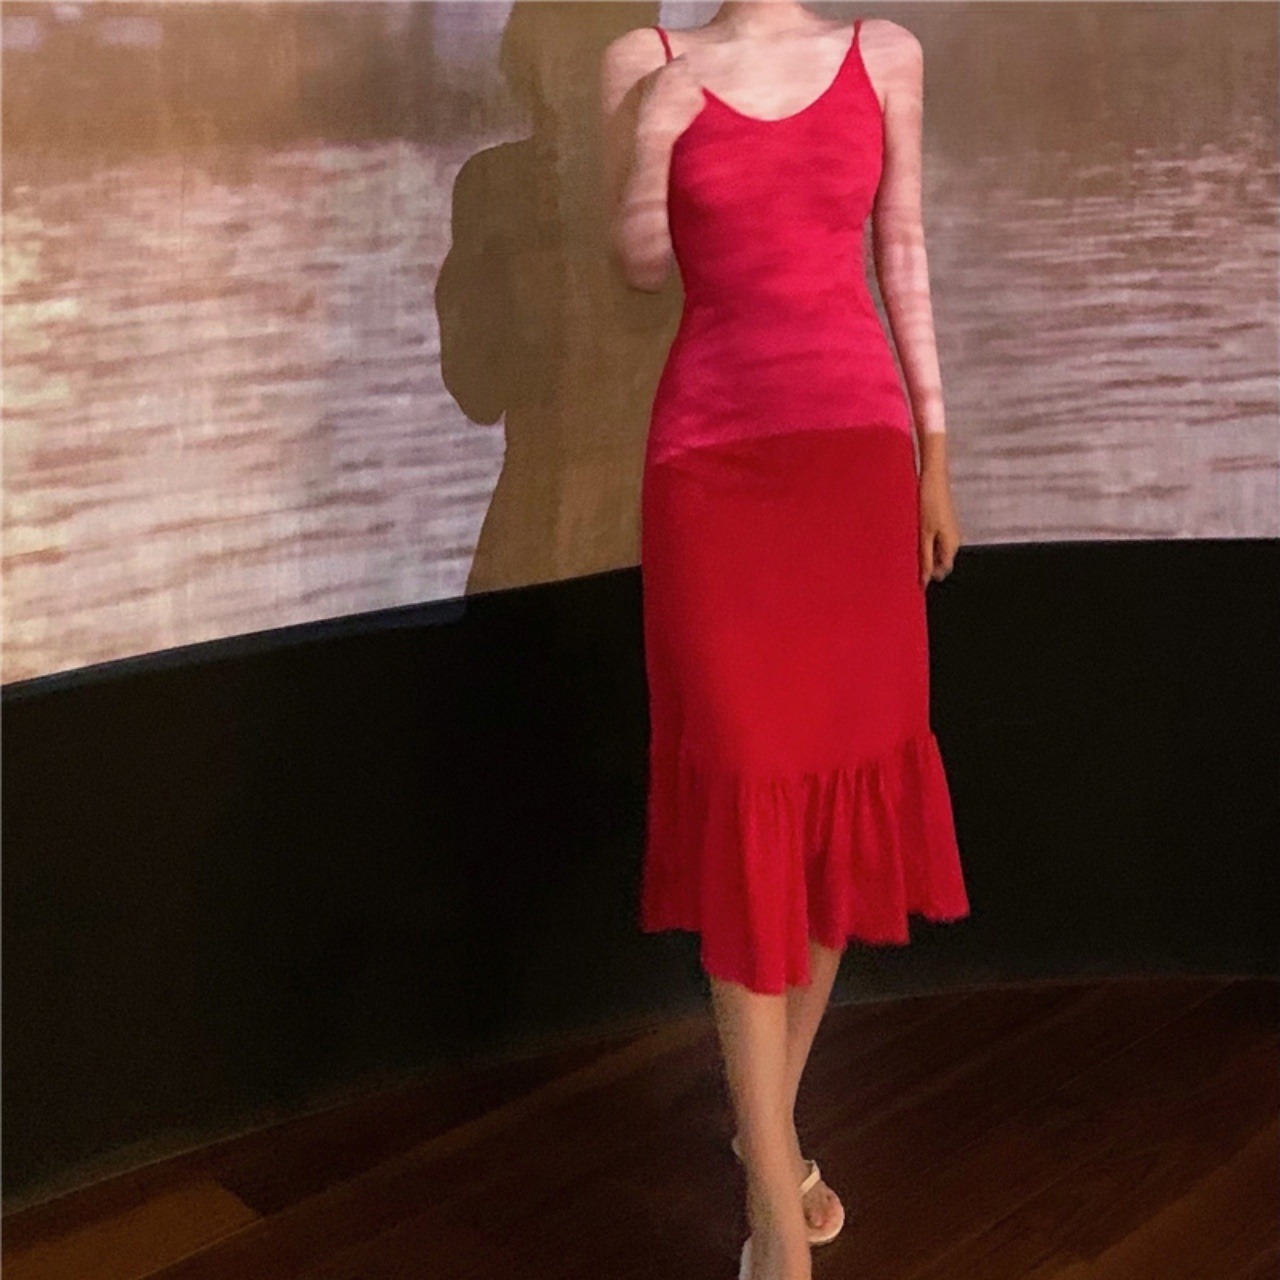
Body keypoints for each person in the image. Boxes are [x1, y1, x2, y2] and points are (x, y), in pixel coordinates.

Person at [599, 5, 971, 1277]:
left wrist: (934, 453)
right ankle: (773, 1202)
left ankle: (762, 1139)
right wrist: (653, 137)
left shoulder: (884, 53)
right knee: (748, 802)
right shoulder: (645, 61)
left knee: (837, 810)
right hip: (711, 469)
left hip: (853, 460)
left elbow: (901, 252)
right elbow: (637, 267)